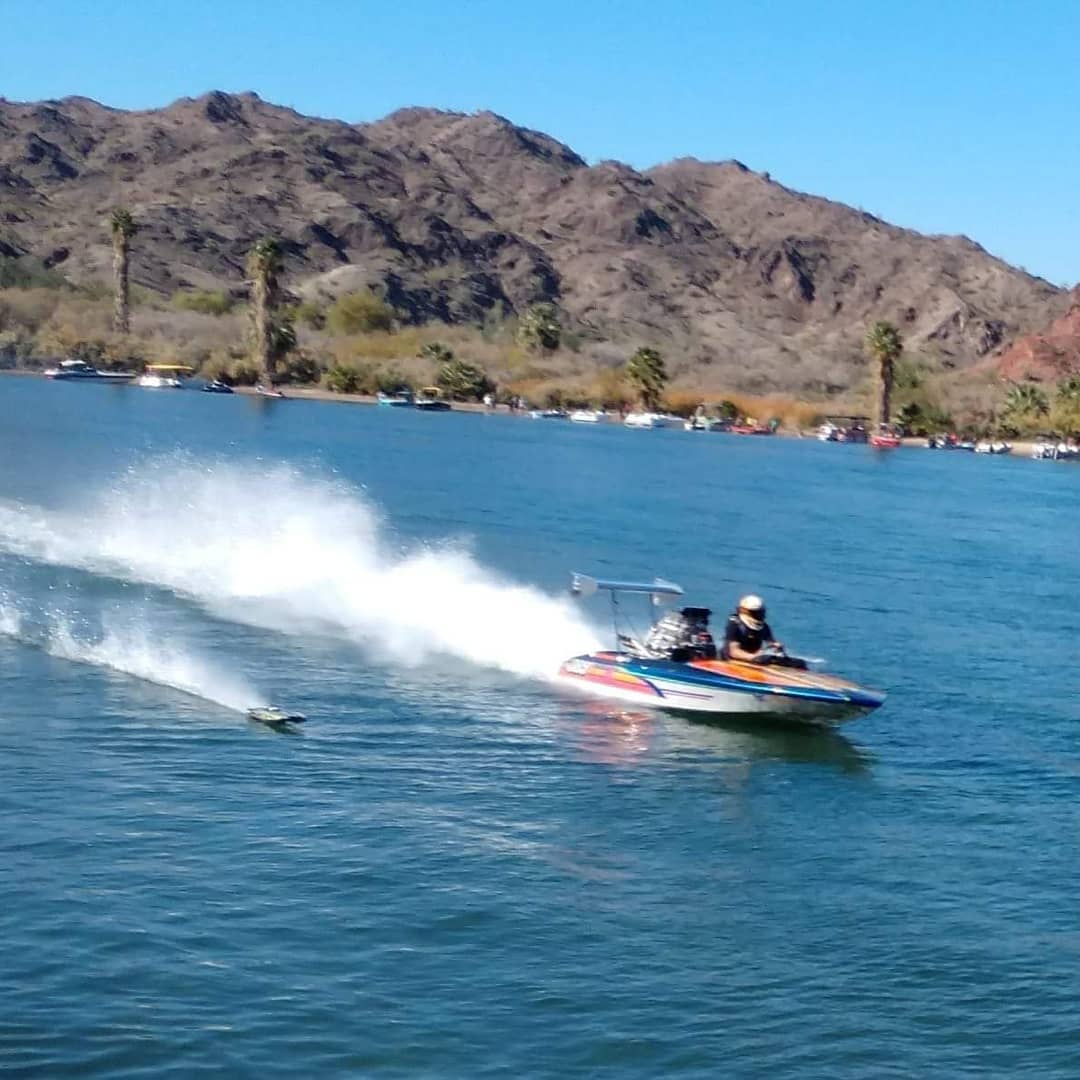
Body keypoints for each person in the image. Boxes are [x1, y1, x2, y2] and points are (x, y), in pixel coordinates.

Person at [721, 594, 783, 662]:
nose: (760, 616)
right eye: (756, 613)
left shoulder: (764, 627)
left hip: (754, 662)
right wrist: (752, 657)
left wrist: (776, 647)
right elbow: (733, 651)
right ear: (744, 611)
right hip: (729, 661)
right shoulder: (734, 624)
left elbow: (771, 643)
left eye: (760, 613)